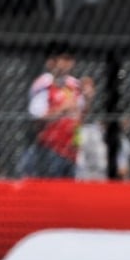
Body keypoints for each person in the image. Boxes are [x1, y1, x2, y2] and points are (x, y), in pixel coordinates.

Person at [24, 49, 84, 178]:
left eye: (70, 59)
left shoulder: (75, 85)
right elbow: (37, 116)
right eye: (64, 59)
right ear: (52, 62)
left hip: (72, 150)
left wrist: (88, 99)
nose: (68, 64)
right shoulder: (45, 83)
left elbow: (81, 113)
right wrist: (62, 109)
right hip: (51, 149)